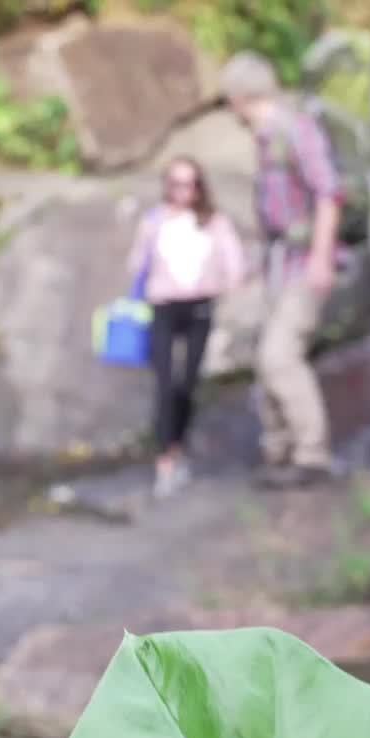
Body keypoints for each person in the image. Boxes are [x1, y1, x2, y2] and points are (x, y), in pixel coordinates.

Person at [218, 51, 341, 489]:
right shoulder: (266, 138)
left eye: (228, 99)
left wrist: (322, 259)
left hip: (304, 264)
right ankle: (279, 452)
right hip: (277, 264)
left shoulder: (296, 131)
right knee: (263, 359)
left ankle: (312, 455)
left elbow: (328, 194)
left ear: (240, 97)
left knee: (279, 356)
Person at [128, 156, 245, 496]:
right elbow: (137, 263)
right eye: (176, 184)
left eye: (189, 184)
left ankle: (178, 446)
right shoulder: (155, 220)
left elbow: (234, 265)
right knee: (164, 382)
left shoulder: (214, 222)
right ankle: (165, 458)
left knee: (187, 383)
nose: (182, 191)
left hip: (198, 307)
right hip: (164, 307)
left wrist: (226, 288)